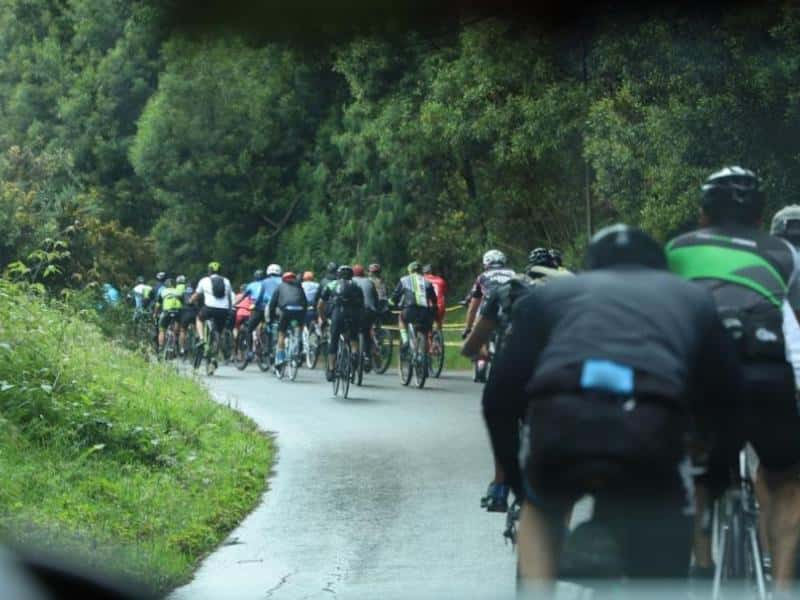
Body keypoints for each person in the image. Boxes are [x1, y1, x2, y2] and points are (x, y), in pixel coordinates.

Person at [484, 224, 741, 590]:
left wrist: (518, 482)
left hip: (560, 426)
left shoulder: (550, 297)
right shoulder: (691, 297)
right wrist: (715, 473)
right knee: (663, 552)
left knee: (540, 510)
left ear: (591, 268)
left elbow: (498, 397)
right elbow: (729, 394)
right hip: (651, 430)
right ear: (658, 269)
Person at [667, 166, 800, 590]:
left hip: (704, 377)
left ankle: (703, 568)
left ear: (702, 215)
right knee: (787, 480)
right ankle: (783, 587)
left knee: (698, 474)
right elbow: (793, 327)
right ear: (761, 218)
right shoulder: (785, 253)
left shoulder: (677, 250)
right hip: (767, 372)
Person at [464, 247, 572, 512]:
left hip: (513, 372)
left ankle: (499, 489)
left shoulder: (508, 289)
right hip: (557, 374)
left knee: (504, 428)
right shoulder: (572, 292)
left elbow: (472, 343)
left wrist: (476, 351)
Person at [462, 250, 515, 381]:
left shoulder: (482, 276)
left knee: (480, 327)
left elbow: (473, 306)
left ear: (486, 263)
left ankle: (482, 356)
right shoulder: (513, 274)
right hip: (510, 307)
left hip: (490, 307)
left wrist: (468, 329)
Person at [318, 265, 364, 382]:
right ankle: (354, 355)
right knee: (353, 338)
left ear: (338, 275)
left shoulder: (332, 284)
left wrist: (323, 318)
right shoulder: (356, 285)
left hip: (338, 314)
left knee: (334, 340)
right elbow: (362, 304)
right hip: (353, 314)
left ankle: (331, 370)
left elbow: (320, 305)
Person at [190, 261, 235, 374]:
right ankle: (214, 357)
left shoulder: (204, 280)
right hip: (223, 310)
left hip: (209, 308)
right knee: (218, 332)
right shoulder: (226, 281)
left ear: (209, 271)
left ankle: (201, 339)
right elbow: (229, 297)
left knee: (199, 319)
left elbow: (196, 295)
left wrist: (190, 301)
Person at [390, 261, 437, 349]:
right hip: (424, 312)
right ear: (421, 271)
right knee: (425, 330)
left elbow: (395, 295)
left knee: (401, 318)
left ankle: (405, 340)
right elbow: (434, 299)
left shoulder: (404, 280)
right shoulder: (427, 282)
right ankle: (426, 353)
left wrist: (391, 303)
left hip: (409, 310)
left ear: (410, 271)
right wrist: (434, 307)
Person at [268, 272, 308, 365]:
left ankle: (281, 358)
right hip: (299, 311)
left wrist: (271, 317)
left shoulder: (280, 287)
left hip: (286, 311)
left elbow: (272, 304)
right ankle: (298, 345)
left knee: (281, 333)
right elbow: (305, 302)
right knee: (298, 327)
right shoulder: (299, 287)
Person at [352, 264, 380, 370]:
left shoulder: (351, 281)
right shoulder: (369, 282)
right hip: (369, 312)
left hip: (355, 311)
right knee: (367, 332)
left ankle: (353, 353)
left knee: (352, 331)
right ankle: (367, 356)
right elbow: (376, 298)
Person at [154, 277, 182, 352]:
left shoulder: (163, 291)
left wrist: (155, 314)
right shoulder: (178, 291)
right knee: (178, 330)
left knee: (162, 330)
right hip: (177, 312)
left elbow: (157, 305)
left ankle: (160, 348)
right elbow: (183, 303)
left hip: (166, 311)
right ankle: (177, 344)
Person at [422, 264, 448, 331]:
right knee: (438, 323)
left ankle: (429, 334)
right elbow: (444, 295)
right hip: (440, 306)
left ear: (424, 272)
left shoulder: (422, 280)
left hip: (428, 307)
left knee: (425, 326)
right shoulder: (441, 280)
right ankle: (438, 333)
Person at [175, 275, 194, 356]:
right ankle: (198, 340)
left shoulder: (181, 291)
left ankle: (182, 348)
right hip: (195, 311)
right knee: (197, 327)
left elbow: (178, 299)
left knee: (182, 330)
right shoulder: (194, 291)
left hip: (184, 311)